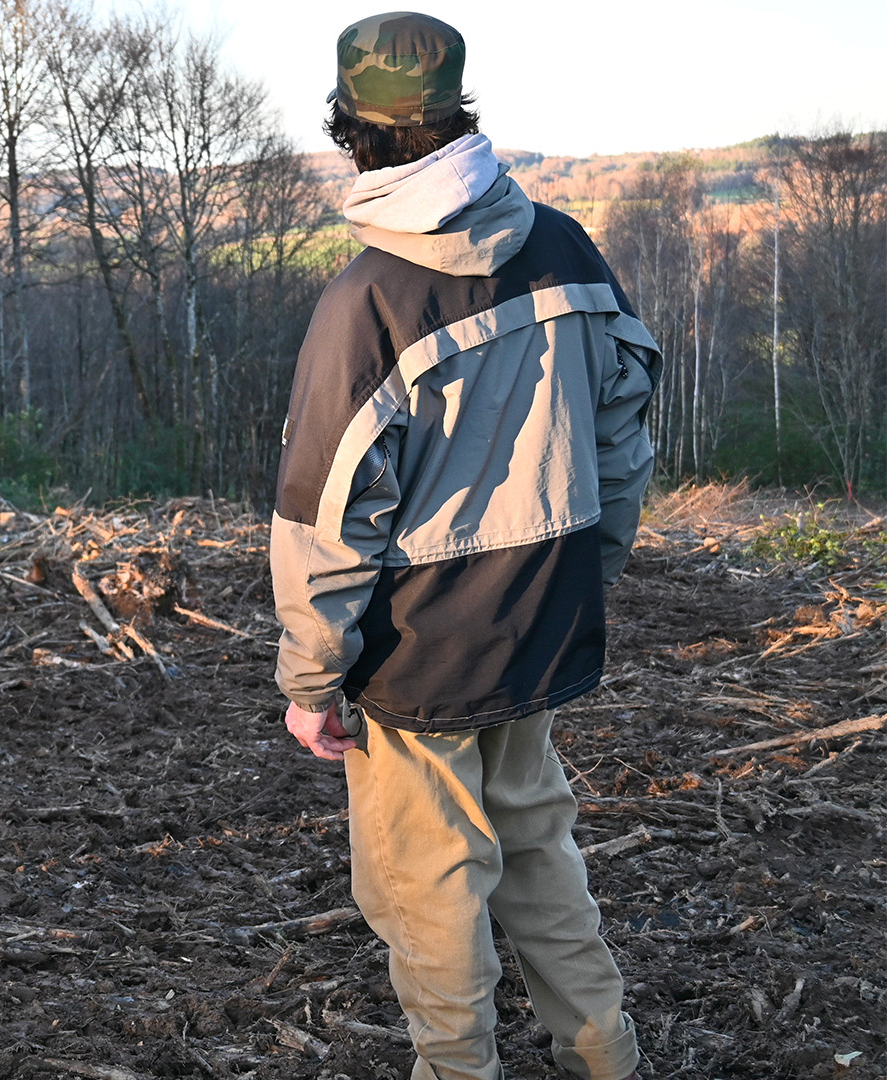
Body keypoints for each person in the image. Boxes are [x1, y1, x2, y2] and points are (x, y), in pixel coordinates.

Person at [270, 13, 659, 1080]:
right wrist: (589, 571)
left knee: (431, 900)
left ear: (351, 126)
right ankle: (610, 1063)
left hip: (418, 665)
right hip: (541, 628)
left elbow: (326, 522)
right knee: (541, 860)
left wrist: (312, 679)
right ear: (460, 108)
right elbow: (623, 440)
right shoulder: (568, 251)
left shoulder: (367, 302)